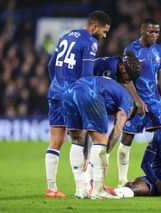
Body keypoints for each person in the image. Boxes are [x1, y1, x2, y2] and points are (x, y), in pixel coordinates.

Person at [45, 11, 111, 198]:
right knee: (79, 138)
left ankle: (51, 188)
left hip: (56, 92)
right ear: (94, 27)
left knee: (55, 141)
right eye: (104, 31)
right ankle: (82, 188)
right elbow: (87, 75)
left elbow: (51, 66)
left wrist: (58, 83)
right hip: (74, 95)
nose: (104, 35)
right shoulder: (90, 41)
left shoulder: (65, 36)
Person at [69, 51, 142, 198]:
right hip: (88, 91)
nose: (127, 82)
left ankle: (81, 189)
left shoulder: (114, 80)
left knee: (78, 140)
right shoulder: (106, 69)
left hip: (70, 92)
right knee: (99, 141)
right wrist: (105, 156)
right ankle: (96, 189)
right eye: (129, 78)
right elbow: (117, 129)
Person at [117, 18, 161, 187]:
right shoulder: (131, 50)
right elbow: (125, 79)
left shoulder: (158, 50)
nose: (154, 35)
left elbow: (159, 77)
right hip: (136, 101)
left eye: (157, 32)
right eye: (150, 31)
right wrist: (137, 100)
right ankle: (122, 179)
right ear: (142, 30)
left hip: (154, 100)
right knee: (127, 137)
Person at [94, 51, 147, 118]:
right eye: (129, 77)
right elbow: (98, 90)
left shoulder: (121, 64)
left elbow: (127, 82)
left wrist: (138, 100)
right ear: (122, 69)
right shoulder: (111, 68)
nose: (129, 81)